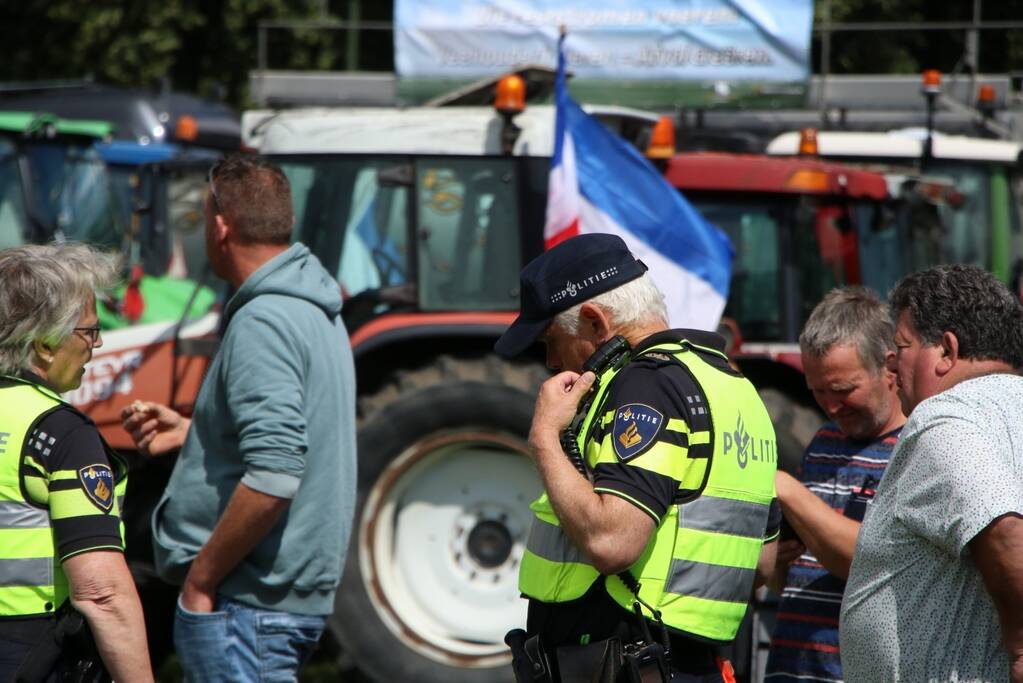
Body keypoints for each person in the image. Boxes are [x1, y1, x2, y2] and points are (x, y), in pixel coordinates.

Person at [495, 233, 779, 682]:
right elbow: (761, 566)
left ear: (594, 323)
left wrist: (546, 438)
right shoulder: (736, 389)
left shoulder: (647, 384)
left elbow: (613, 544)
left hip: (627, 661)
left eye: (550, 340)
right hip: (685, 664)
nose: (550, 361)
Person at [120, 155, 357, 682]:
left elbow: (274, 473)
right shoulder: (314, 307)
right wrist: (195, 433)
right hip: (269, 603)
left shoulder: (265, 320)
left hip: (244, 604)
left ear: (220, 226)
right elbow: (303, 438)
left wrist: (201, 579)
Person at [840, 264, 1023, 682]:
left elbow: (1003, 526)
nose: (889, 359)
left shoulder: (945, 418)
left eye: (901, 345)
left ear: (946, 350)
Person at [0, 243, 153, 682]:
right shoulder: (62, 435)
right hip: (32, 655)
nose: (98, 343)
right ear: (46, 344)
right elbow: (100, 591)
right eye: (88, 331)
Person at [764, 287, 905, 682]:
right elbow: (788, 578)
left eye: (843, 390)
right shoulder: (822, 443)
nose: (830, 405)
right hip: (793, 667)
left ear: (889, 368)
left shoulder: (913, 452)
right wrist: (778, 562)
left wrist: (788, 490)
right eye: (817, 392)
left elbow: (869, 563)